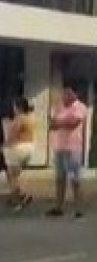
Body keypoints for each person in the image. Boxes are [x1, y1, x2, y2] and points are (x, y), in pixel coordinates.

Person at [0, 97, 35, 210]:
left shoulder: (19, 119)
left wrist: (3, 146)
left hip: (17, 148)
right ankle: (19, 195)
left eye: (14, 106)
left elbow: (12, 136)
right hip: (29, 147)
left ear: (17, 107)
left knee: (12, 176)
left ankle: (19, 200)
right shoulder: (30, 118)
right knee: (11, 173)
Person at [47, 86, 87, 218]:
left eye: (68, 94)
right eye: (64, 94)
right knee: (59, 178)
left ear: (74, 94)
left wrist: (59, 123)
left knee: (75, 179)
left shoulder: (79, 107)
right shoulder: (59, 107)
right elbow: (51, 124)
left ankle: (78, 208)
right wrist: (59, 122)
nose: (65, 96)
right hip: (59, 146)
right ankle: (58, 207)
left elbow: (74, 123)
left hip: (73, 147)